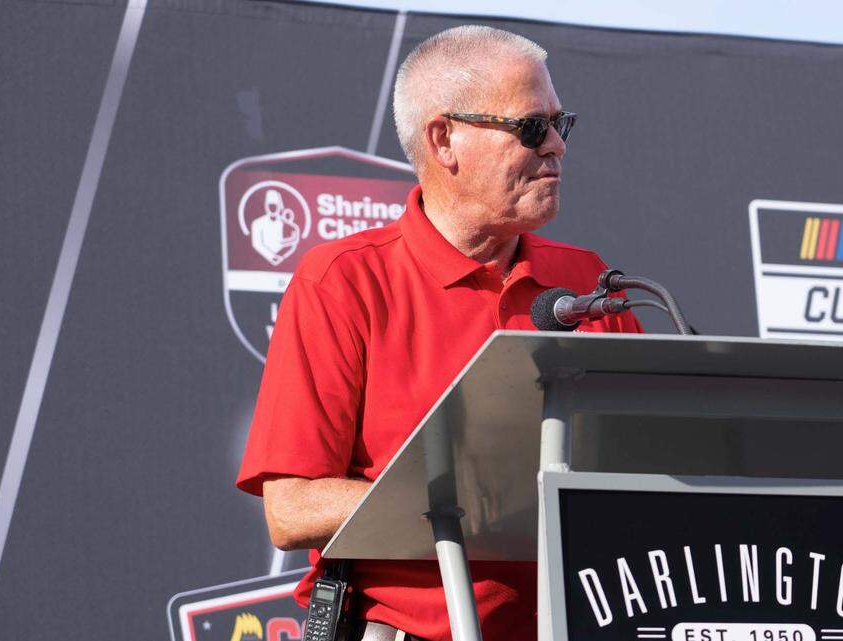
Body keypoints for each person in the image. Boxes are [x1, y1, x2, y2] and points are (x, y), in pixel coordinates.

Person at [236, 25, 642, 641]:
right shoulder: (344, 281)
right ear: (444, 139)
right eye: (533, 127)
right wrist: (476, 507)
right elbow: (291, 508)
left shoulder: (586, 280)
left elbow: (653, 464)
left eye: (563, 123)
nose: (557, 145)